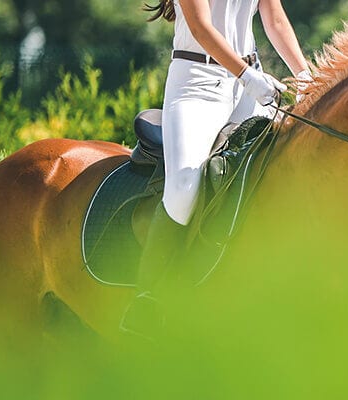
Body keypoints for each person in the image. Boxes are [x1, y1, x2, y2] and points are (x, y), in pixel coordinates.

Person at [122, 0, 312, 337]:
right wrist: (246, 76)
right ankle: (146, 296)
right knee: (183, 186)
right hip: (196, 84)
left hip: (250, 84)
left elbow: (275, 18)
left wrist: (306, 76)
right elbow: (201, 26)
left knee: (288, 165)